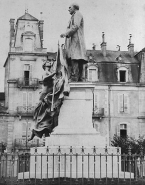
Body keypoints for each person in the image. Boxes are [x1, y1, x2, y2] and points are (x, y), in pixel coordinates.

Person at [28, 56, 66, 141]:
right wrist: (54, 73)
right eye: (48, 63)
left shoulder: (51, 73)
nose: (49, 63)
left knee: (48, 116)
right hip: (45, 95)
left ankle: (46, 131)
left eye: (50, 62)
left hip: (50, 94)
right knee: (41, 115)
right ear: (45, 65)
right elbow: (45, 79)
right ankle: (34, 131)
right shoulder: (45, 73)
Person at [60, 3, 87, 82]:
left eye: (70, 8)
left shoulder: (77, 14)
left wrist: (66, 34)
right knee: (77, 58)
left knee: (75, 57)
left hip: (76, 40)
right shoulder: (74, 15)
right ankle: (80, 77)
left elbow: (75, 26)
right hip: (74, 40)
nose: (68, 9)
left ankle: (75, 77)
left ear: (74, 8)